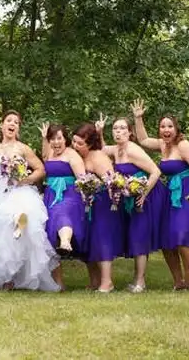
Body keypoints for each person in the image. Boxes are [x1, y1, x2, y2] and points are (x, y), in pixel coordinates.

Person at [0, 110, 60, 292]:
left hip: (19, 192)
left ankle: (18, 222)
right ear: (2, 125)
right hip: (0, 195)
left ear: (18, 128)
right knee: (2, 238)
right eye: (9, 121)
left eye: (16, 122)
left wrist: (25, 179)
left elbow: (40, 169)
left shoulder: (23, 148)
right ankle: (6, 278)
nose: (12, 124)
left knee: (18, 227)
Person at [131, 99, 189, 290]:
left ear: (176, 129)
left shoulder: (183, 145)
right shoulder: (162, 144)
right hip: (172, 194)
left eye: (170, 126)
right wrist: (138, 118)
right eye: (162, 126)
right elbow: (143, 140)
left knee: (182, 234)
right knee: (167, 239)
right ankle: (178, 281)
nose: (166, 130)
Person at [100, 116, 165, 293]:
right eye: (115, 128)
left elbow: (156, 171)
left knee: (139, 235)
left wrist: (143, 194)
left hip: (146, 195)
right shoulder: (116, 149)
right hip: (130, 196)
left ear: (130, 132)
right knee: (135, 234)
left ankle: (141, 282)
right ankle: (136, 278)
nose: (118, 132)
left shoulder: (133, 150)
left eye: (122, 128)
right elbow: (102, 150)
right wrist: (100, 131)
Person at [71, 122, 123, 293]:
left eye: (80, 143)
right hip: (88, 203)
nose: (75, 145)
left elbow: (112, 182)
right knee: (89, 239)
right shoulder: (80, 156)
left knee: (102, 239)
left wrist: (95, 187)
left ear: (90, 144)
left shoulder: (98, 157)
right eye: (74, 141)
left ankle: (107, 282)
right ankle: (94, 280)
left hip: (103, 203)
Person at [40, 123, 87, 290]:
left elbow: (83, 179)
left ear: (65, 139)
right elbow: (44, 158)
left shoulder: (72, 155)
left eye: (59, 138)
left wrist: (87, 202)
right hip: (51, 196)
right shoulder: (50, 152)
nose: (56, 142)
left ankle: (66, 242)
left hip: (70, 195)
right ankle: (59, 283)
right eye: (52, 139)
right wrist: (44, 138)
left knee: (61, 213)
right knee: (49, 234)